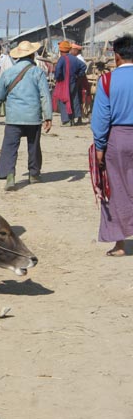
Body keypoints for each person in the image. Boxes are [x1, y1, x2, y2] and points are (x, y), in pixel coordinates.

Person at [91, 34, 133, 257]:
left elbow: (101, 118)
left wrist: (99, 146)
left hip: (117, 138)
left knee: (115, 188)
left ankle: (119, 245)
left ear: (116, 56)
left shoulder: (107, 80)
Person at [0, 41, 53, 191]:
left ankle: (10, 176)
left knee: (10, 147)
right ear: (32, 55)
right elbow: (45, 95)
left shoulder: (8, 72)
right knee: (34, 146)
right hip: (33, 116)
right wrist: (48, 116)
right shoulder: (38, 72)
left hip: (14, 117)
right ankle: (33, 174)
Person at [53, 40, 87, 126]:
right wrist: (78, 75)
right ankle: (75, 118)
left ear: (61, 51)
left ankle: (66, 120)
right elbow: (84, 66)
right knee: (74, 99)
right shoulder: (74, 58)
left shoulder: (62, 59)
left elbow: (57, 71)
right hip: (73, 82)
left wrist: (58, 78)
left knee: (63, 99)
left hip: (63, 83)